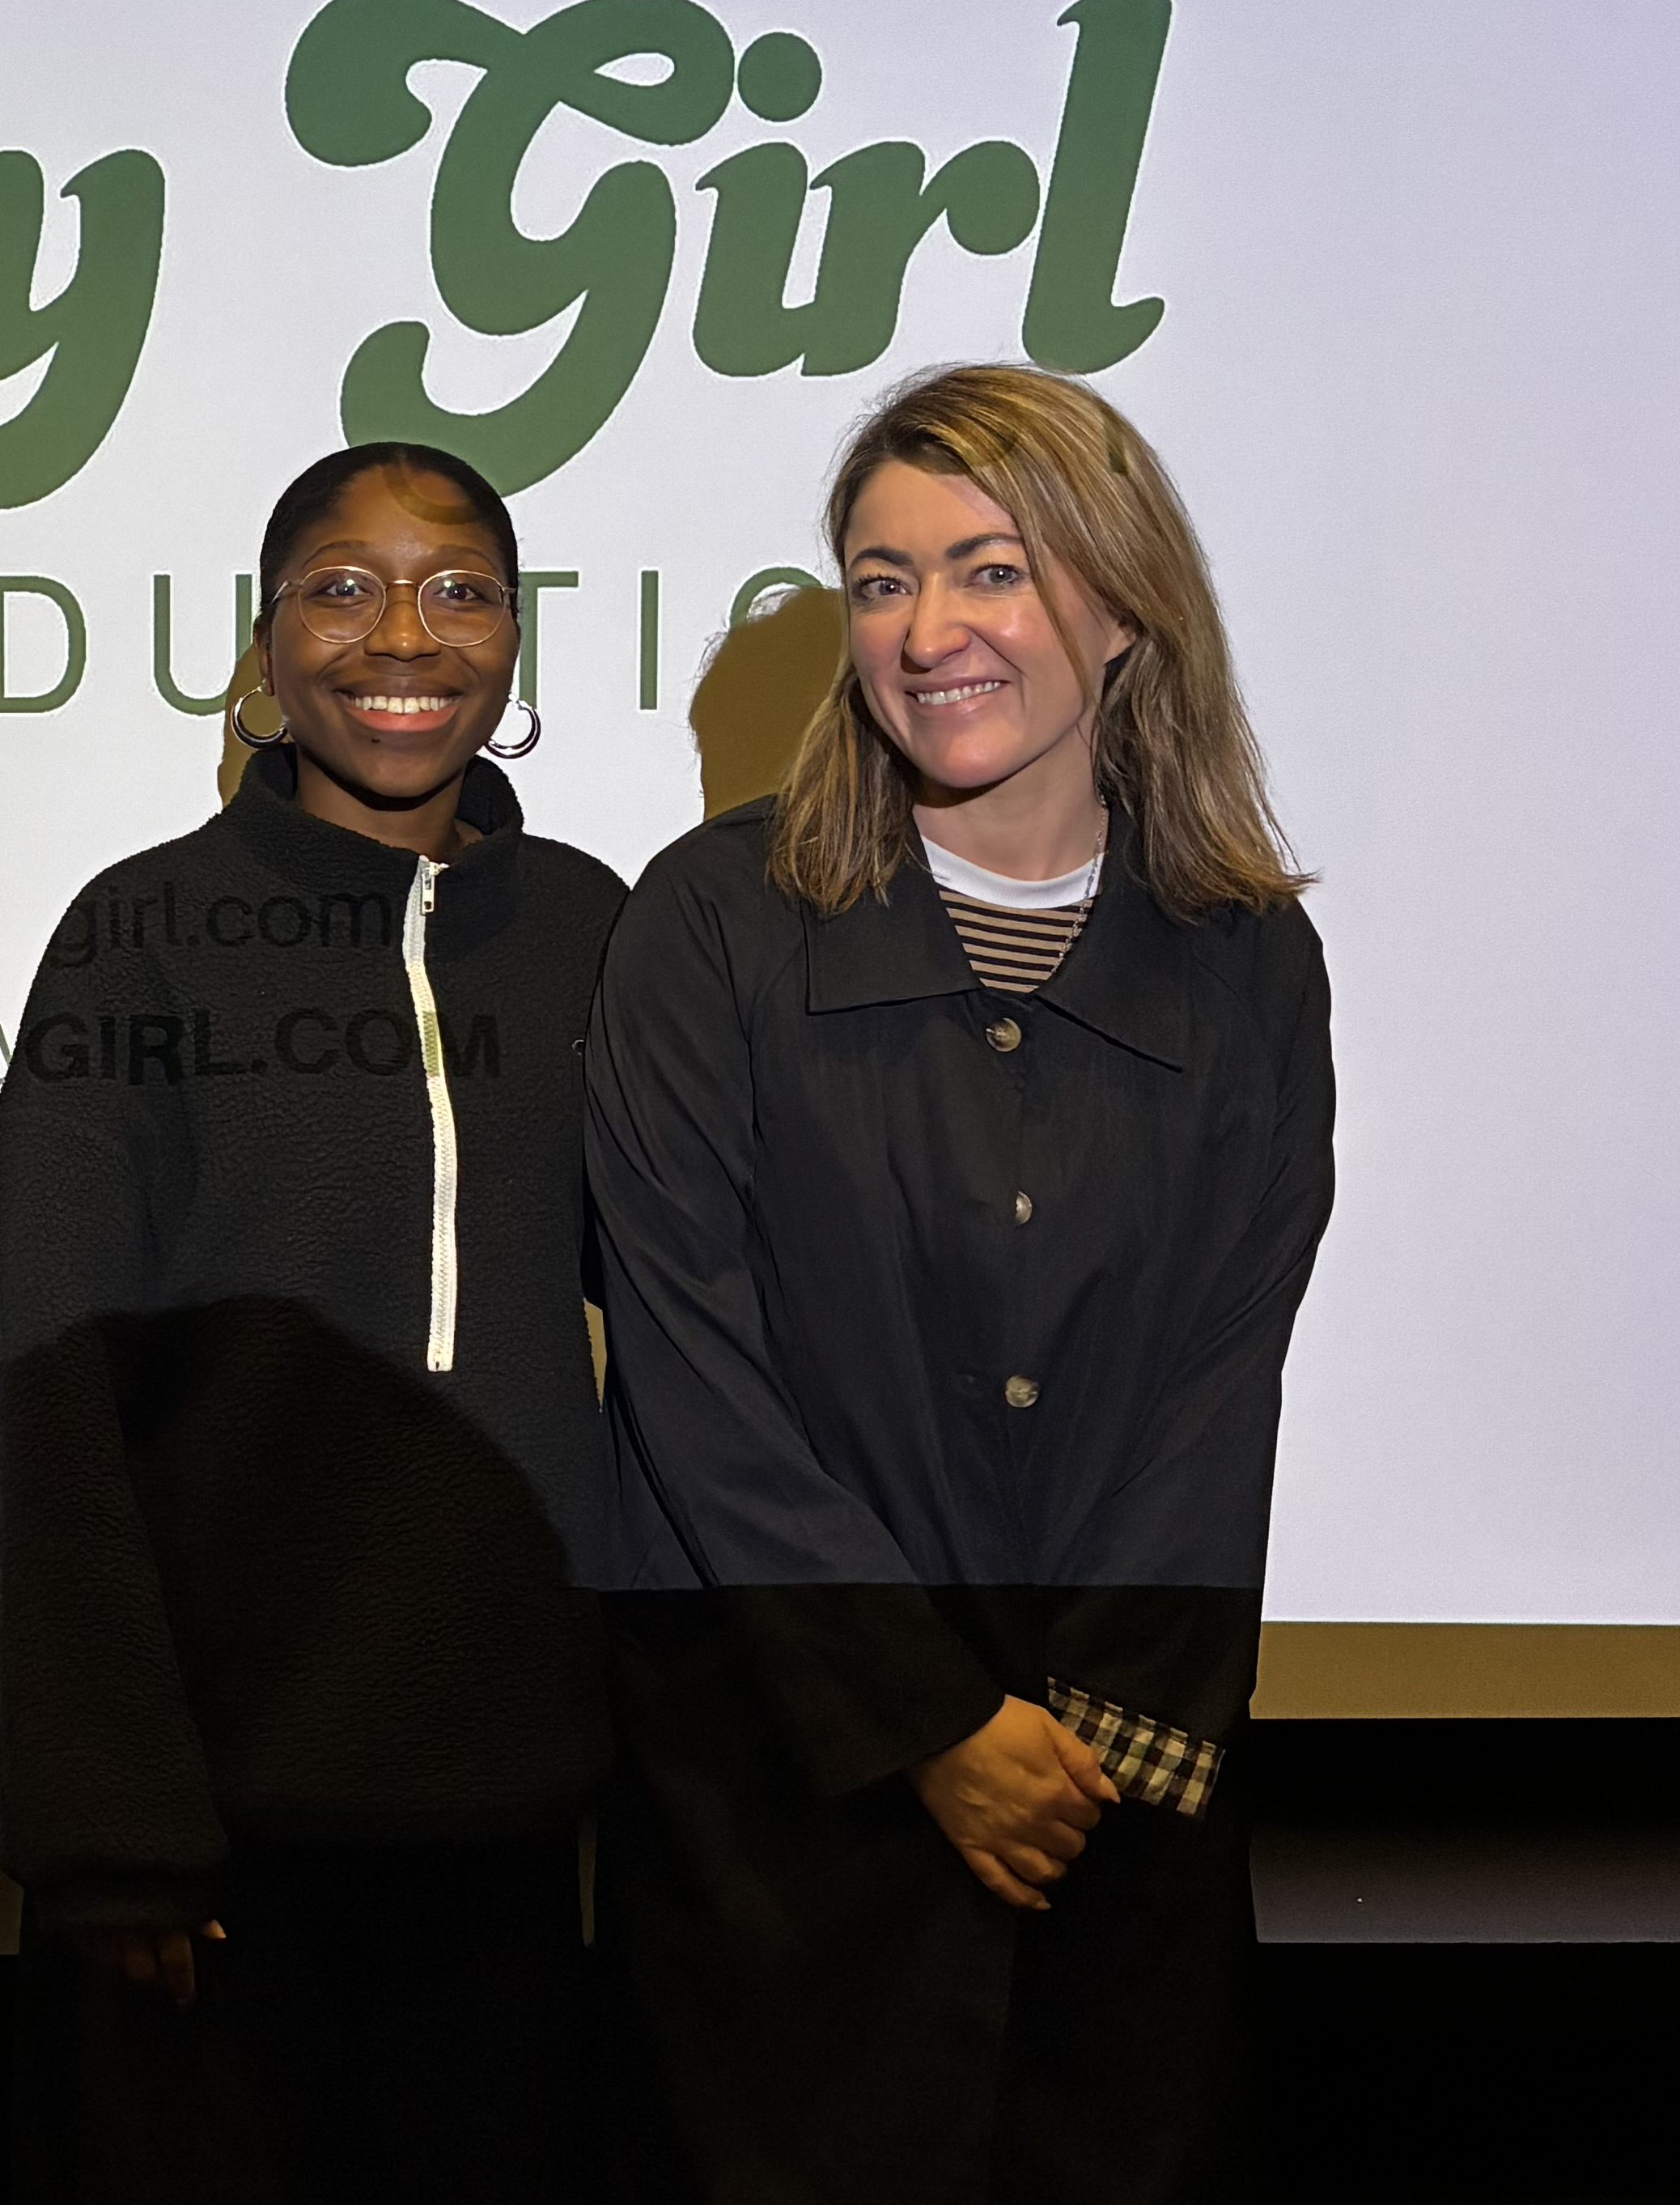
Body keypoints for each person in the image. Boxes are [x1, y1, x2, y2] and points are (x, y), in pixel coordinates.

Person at [583, 364, 1334, 2203]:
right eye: (878, 579)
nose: (927, 631)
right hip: (782, 1790)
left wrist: (1072, 1738)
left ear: (1116, 596)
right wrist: (924, 1722)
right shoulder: (714, 919)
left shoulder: (1243, 957)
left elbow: (1225, 1368)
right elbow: (689, 1371)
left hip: (1105, 1801)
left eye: (986, 569)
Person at [0, 443, 623, 2205]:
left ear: (511, 634)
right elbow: (50, 1395)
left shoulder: (589, 931)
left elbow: (690, 1344)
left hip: (507, 1829)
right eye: (342, 585)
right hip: (207, 1844)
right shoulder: (140, 937)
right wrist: (105, 1829)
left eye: (458, 587)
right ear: (262, 640)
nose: (400, 631)